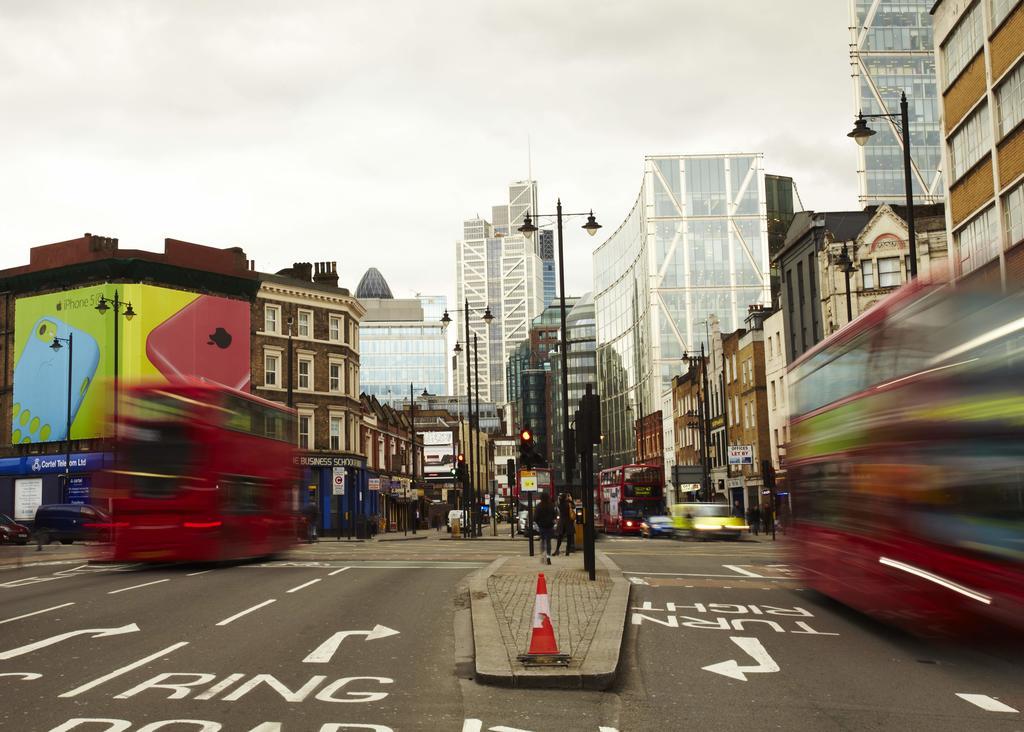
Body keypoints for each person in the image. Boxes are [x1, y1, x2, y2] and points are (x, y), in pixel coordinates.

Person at [534, 492, 556, 565]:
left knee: (542, 541)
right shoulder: (551, 505)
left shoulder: (538, 506)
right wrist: (552, 522)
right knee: (548, 542)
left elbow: (535, 517)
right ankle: (548, 556)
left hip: (542, 526)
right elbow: (554, 515)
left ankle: (543, 556)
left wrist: (539, 524)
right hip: (550, 526)